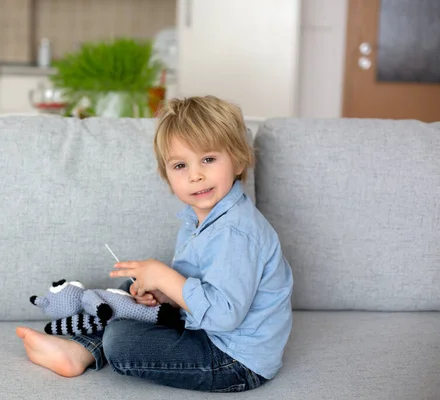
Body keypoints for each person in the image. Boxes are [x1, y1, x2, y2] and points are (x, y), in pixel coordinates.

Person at [16, 95, 293, 392]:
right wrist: (163, 292)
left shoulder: (236, 232)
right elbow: (202, 286)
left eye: (208, 160)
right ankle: (81, 350)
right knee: (128, 291)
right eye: (180, 166)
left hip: (235, 359)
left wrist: (166, 277)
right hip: (204, 327)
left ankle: (88, 348)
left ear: (237, 159)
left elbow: (224, 315)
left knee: (121, 341)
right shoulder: (198, 219)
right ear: (167, 174)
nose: (196, 175)